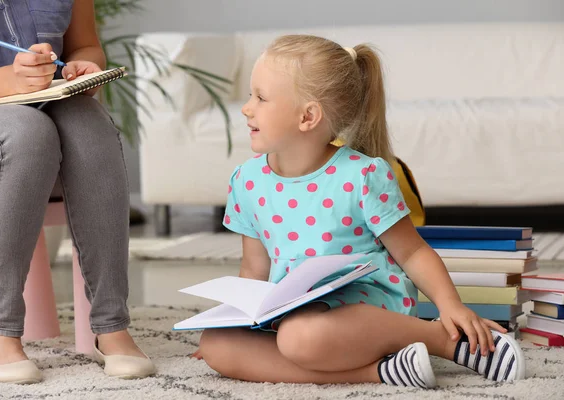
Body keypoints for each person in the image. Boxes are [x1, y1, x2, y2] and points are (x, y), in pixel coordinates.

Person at [194, 34, 525, 388]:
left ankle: (444, 342)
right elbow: (254, 269)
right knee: (216, 345)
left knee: (298, 339)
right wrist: (238, 320)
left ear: (308, 116)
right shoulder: (247, 180)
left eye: (260, 97)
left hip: (365, 307)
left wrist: (450, 306)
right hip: (293, 312)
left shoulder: (362, 176)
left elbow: (412, 252)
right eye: (250, 95)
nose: (247, 108)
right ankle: (382, 372)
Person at [0, 1, 155, 383]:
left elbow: (85, 45)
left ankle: (112, 325)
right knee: (24, 133)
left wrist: (84, 67)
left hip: (45, 121)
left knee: (90, 126)